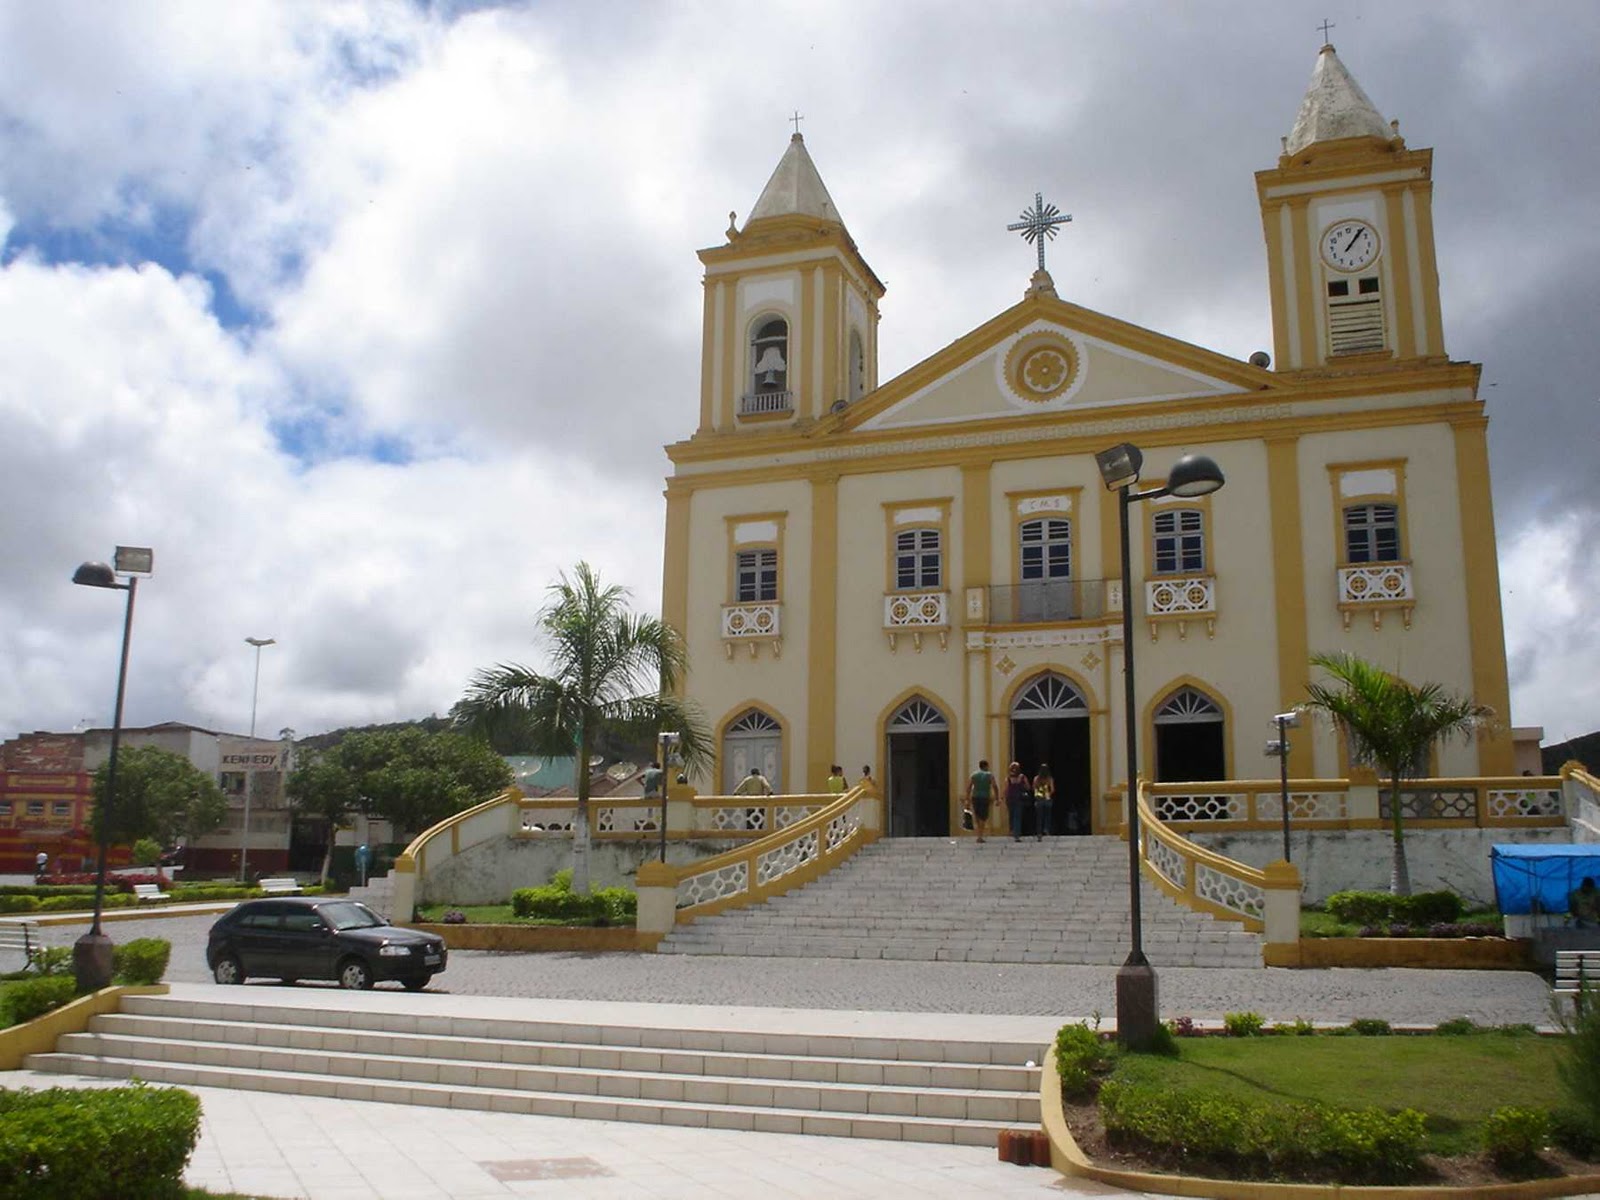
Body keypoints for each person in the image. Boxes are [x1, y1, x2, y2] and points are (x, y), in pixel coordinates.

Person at [964, 759, 997, 843]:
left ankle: (979, 834)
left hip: (975, 797)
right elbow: (994, 786)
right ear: (986, 766)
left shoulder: (974, 775)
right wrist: (997, 797)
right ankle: (980, 836)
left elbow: (968, 787)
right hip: (985, 797)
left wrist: (967, 799)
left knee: (977, 815)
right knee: (983, 816)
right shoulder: (989, 775)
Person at [734, 765, 773, 830]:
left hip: (750, 800)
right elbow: (767, 786)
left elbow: (739, 789)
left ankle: (749, 830)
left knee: (750, 816)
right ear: (758, 772)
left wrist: (736, 794)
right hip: (759, 800)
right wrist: (770, 793)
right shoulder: (761, 778)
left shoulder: (747, 779)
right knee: (760, 817)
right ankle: (759, 829)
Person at [1005, 762, 1033, 842]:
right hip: (1019, 798)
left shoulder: (1008, 778)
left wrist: (1003, 798)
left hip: (1010, 799)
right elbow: (1028, 787)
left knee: (1011, 816)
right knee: (1017, 817)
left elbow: (1006, 789)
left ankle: (1012, 831)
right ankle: (1016, 834)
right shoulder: (1022, 777)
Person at [1032, 764, 1055, 841]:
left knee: (1039, 817)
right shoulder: (1049, 779)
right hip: (1047, 799)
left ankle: (1039, 832)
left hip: (1039, 799)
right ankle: (1046, 829)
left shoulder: (1036, 779)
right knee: (1047, 816)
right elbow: (1052, 789)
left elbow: (1034, 788)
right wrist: (1048, 794)